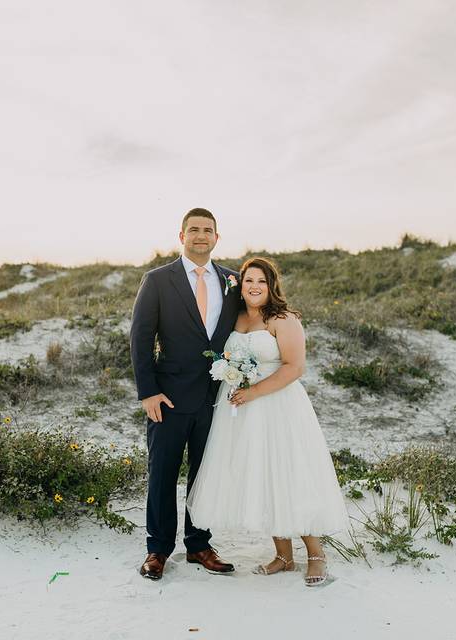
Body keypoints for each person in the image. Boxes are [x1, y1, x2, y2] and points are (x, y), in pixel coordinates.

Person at [186, 257, 348, 586]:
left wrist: (255, 391)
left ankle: (316, 556)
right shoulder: (237, 317)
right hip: (243, 411)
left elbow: (294, 367)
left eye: (261, 281)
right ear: (240, 286)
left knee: (289, 475)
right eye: (248, 281)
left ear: (271, 285)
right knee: (263, 477)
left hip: (277, 405)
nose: (254, 287)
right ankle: (284, 556)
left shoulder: (282, 318)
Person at [129, 208, 241, 580]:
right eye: (193, 230)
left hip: (214, 396)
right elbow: (141, 337)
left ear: (216, 238)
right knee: (161, 473)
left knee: (204, 473)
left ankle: (199, 544)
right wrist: (148, 392)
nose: (200, 236)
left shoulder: (232, 281)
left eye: (207, 230)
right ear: (182, 236)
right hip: (169, 397)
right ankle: (157, 549)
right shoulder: (158, 279)